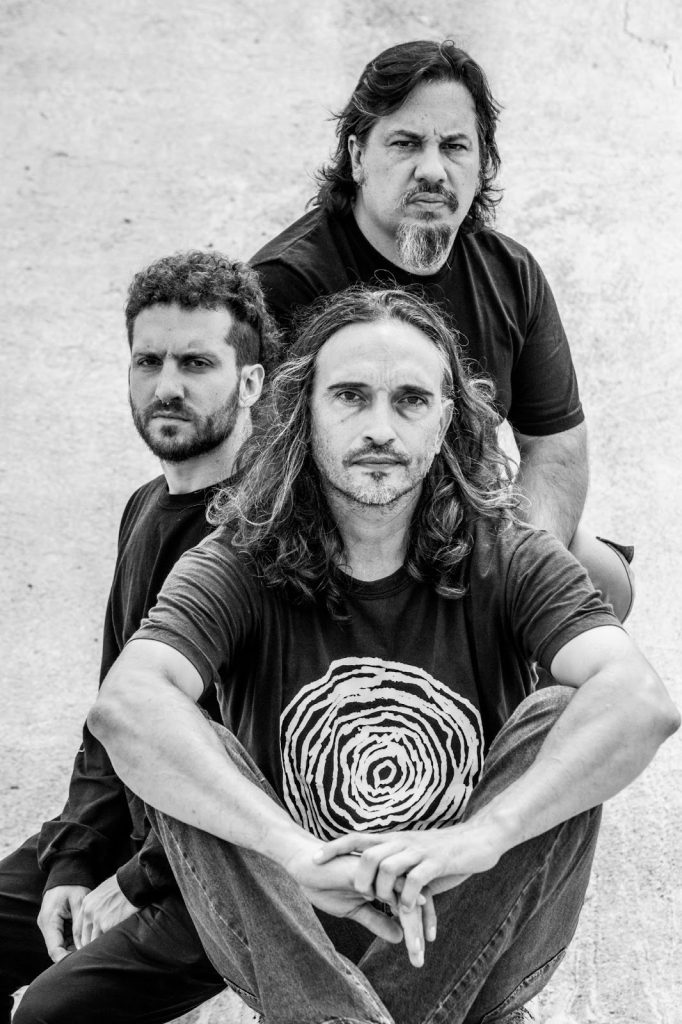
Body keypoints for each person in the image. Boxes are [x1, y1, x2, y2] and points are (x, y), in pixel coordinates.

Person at [89, 287, 678, 1024]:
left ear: (446, 421)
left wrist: (481, 839)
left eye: (409, 400)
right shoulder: (239, 558)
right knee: (181, 737)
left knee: (570, 714)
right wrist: (294, 852)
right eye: (349, 396)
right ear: (304, 412)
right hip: (297, 940)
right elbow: (126, 707)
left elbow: (641, 702)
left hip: (482, 928)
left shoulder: (508, 553)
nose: (379, 427)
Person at [250, 38, 634, 620]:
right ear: (357, 156)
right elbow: (261, 479)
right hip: (341, 542)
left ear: (481, 165)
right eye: (406, 143)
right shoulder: (285, 285)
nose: (432, 170)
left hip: (468, 522)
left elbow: (554, 450)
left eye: (454, 146)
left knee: (605, 584)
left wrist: (512, 579)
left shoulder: (510, 275)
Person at [0, 250, 276, 1023]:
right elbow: (109, 726)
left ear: (251, 382)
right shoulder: (144, 508)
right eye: (148, 361)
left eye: (197, 363)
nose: (167, 386)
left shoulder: (269, 535)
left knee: (51, 1014)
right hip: (131, 833)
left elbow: (256, 766)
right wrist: (73, 863)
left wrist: (134, 881)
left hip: (224, 865)